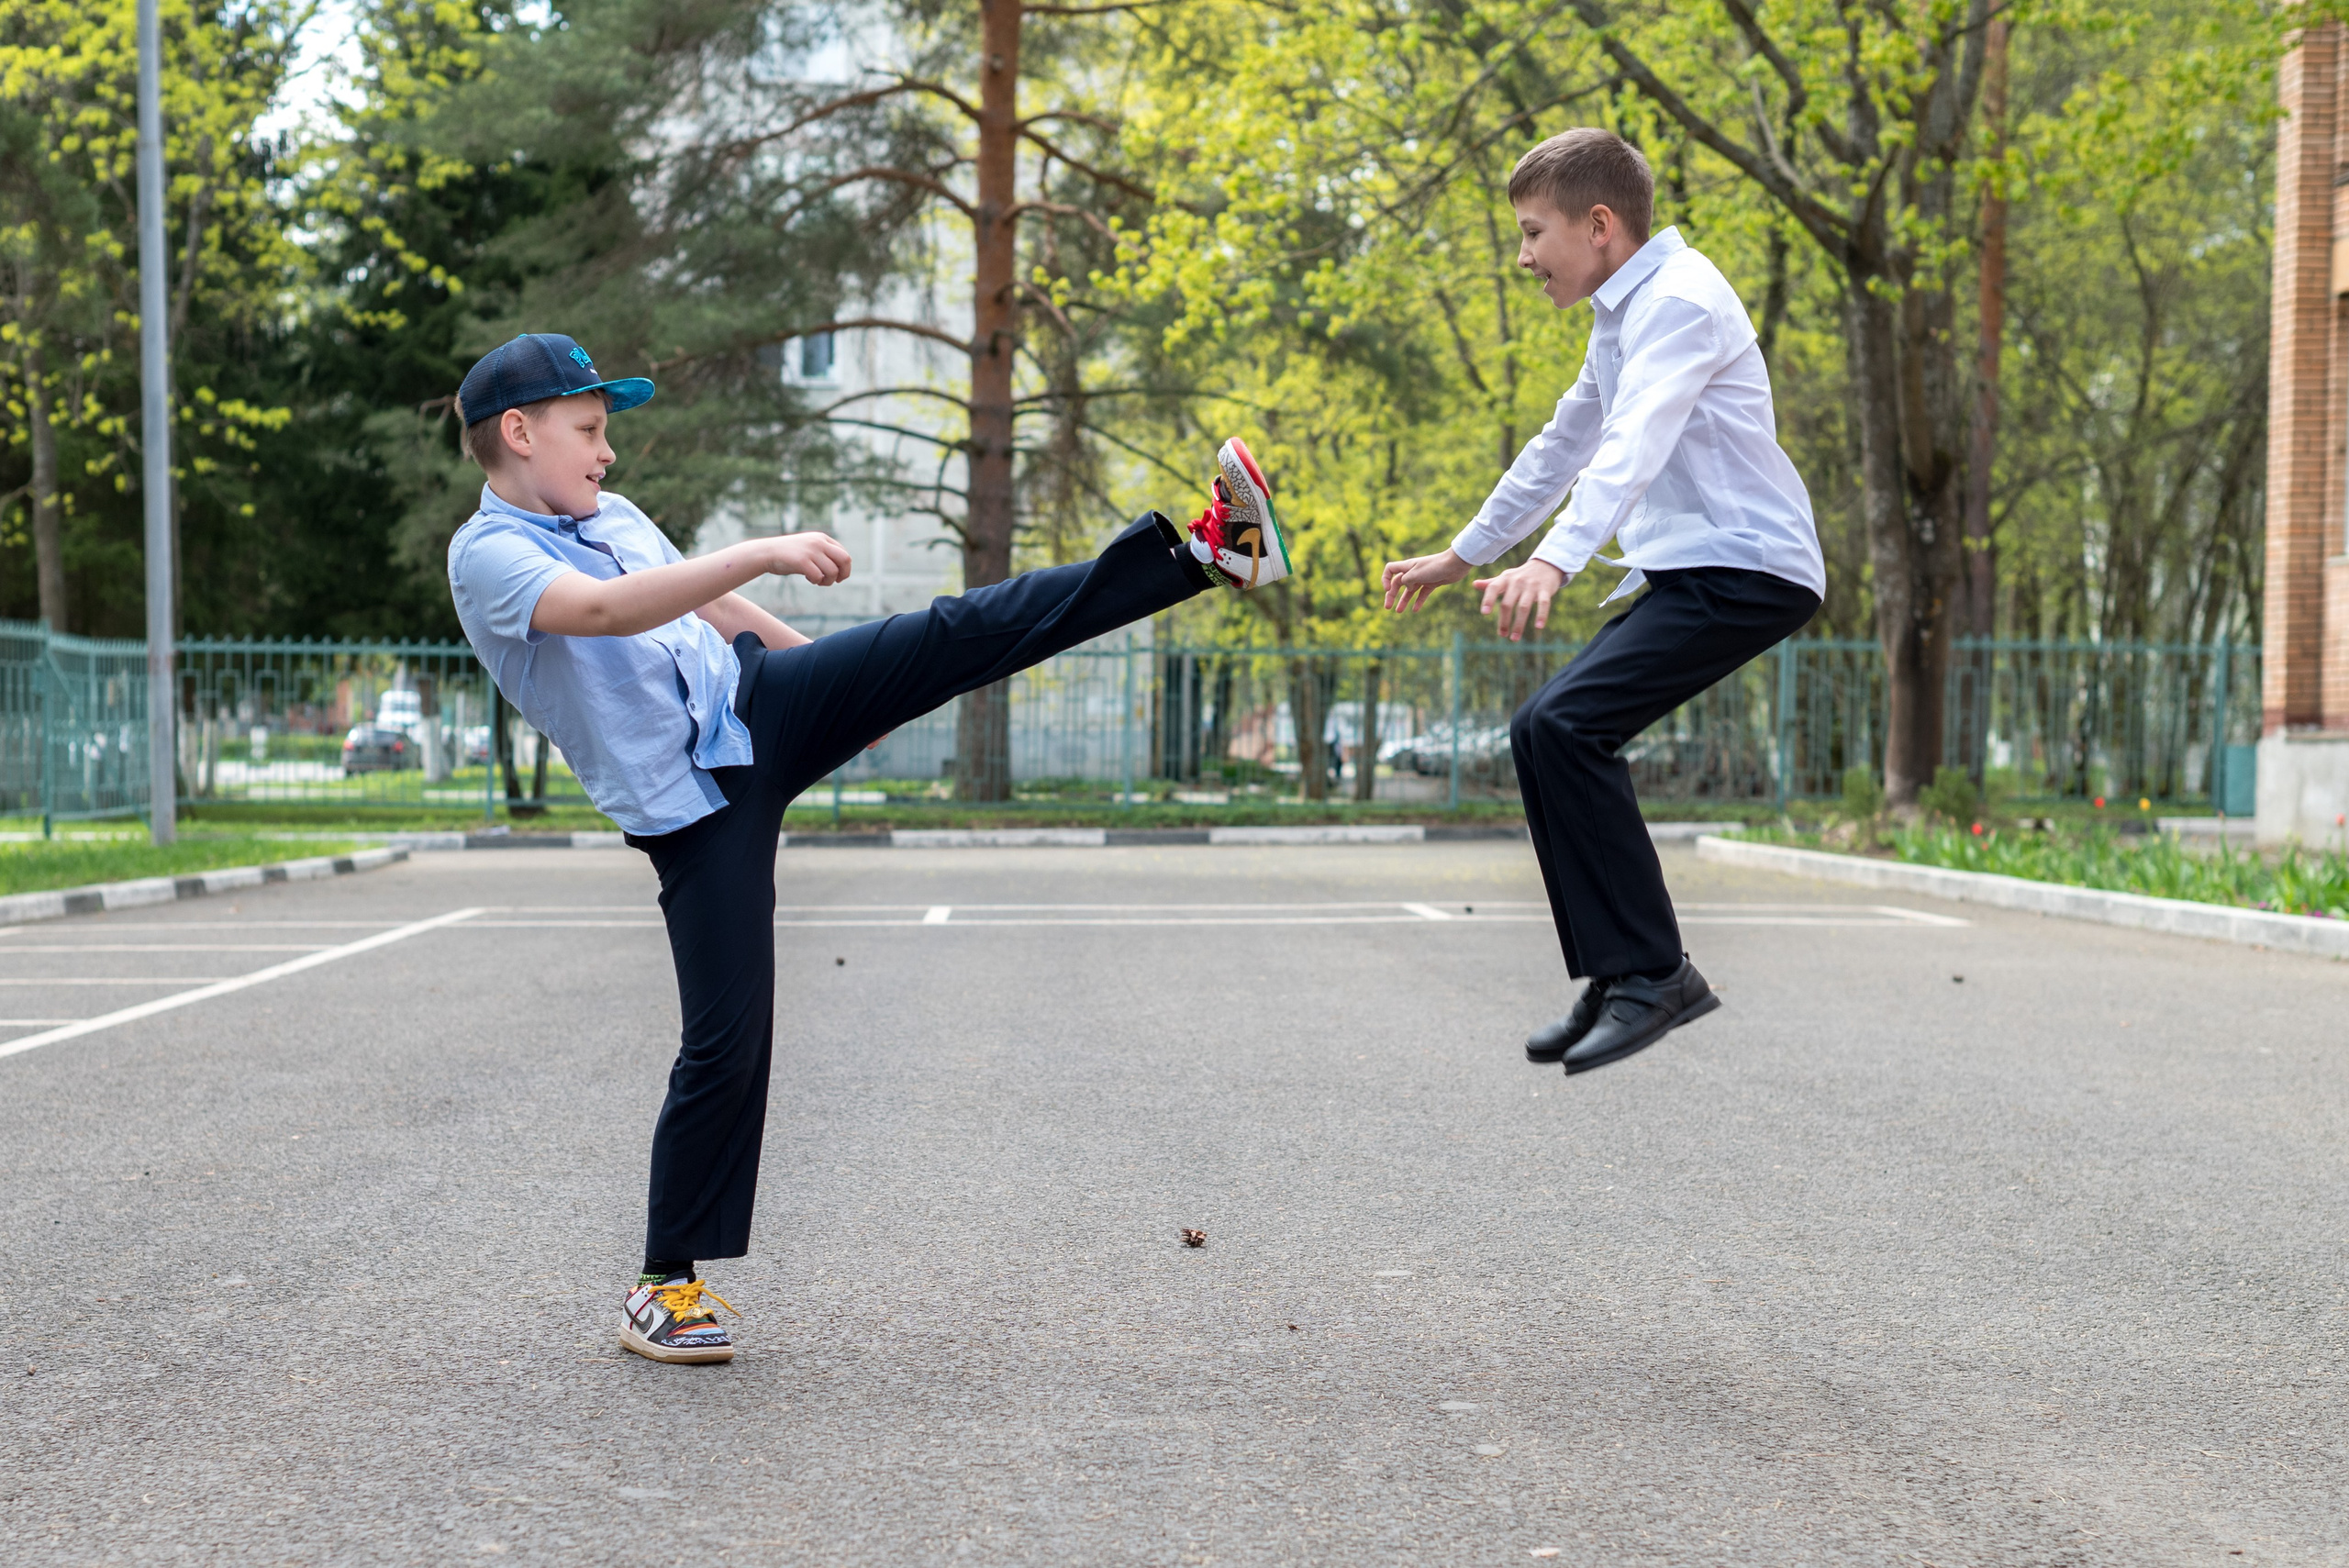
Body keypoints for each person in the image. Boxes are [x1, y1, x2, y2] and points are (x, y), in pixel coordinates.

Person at [443, 332, 1293, 1362]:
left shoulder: (610, 515)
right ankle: (662, 1282)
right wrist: (760, 545)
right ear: (520, 432)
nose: (607, 452)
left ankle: (1203, 552)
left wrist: (835, 679)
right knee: (726, 1040)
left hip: (758, 704)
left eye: (607, 431)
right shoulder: (487, 555)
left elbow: (709, 603)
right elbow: (606, 609)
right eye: (589, 430)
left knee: (945, 631)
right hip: (695, 806)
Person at [1381, 129, 1824, 1076]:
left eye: (1533, 232)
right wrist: (1464, 555)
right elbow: (1561, 443)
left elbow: (1631, 442)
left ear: (1598, 224)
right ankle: (1620, 969)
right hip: (1698, 569)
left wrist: (1555, 562)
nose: (1523, 255)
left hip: (1749, 568)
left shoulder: (1680, 301)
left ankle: (1654, 973)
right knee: (1543, 728)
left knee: (1568, 724)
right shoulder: (1619, 317)